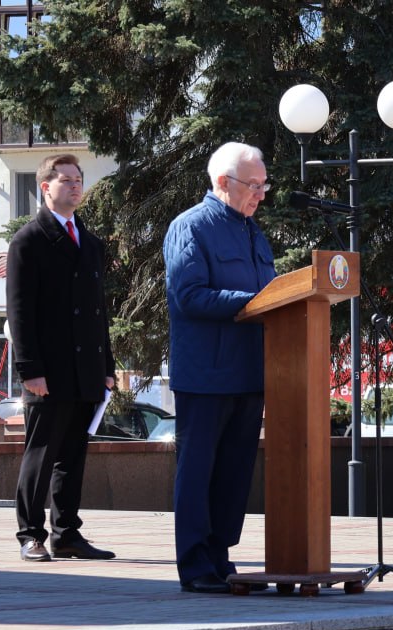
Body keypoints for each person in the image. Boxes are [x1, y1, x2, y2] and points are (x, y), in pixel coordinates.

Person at [163, 142, 274, 593]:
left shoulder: (254, 233)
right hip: (206, 376)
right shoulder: (190, 226)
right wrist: (255, 303)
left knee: (233, 474)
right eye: (254, 185)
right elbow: (188, 295)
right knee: (199, 473)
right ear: (223, 182)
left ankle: (220, 558)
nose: (261, 194)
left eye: (264, 185)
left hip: (249, 374)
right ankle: (195, 565)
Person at [6, 153, 117, 562]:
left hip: (85, 369)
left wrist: (106, 367)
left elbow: (98, 312)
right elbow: (19, 311)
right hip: (48, 372)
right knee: (41, 454)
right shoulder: (29, 240)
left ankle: (67, 533)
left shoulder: (89, 242)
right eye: (66, 179)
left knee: (72, 456)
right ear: (45, 187)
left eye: (78, 180)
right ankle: (30, 535)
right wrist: (30, 370)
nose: (74, 186)